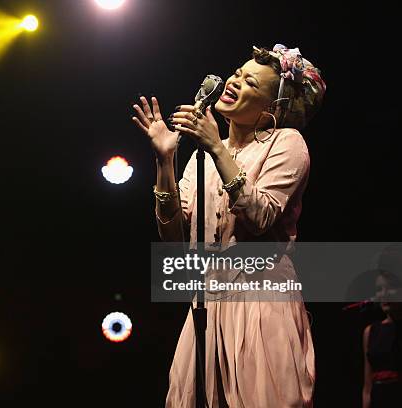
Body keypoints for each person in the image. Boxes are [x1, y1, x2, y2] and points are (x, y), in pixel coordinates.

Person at [131, 44, 326, 407]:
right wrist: (166, 161)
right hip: (207, 302)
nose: (235, 81)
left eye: (250, 82)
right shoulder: (200, 156)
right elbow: (172, 237)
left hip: (260, 303)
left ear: (271, 108)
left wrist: (217, 149)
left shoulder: (286, 143)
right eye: (238, 73)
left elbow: (262, 215)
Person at [362, 270, 402, 408]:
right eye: (379, 289)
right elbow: (367, 387)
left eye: (390, 288)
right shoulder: (370, 332)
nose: (384, 294)